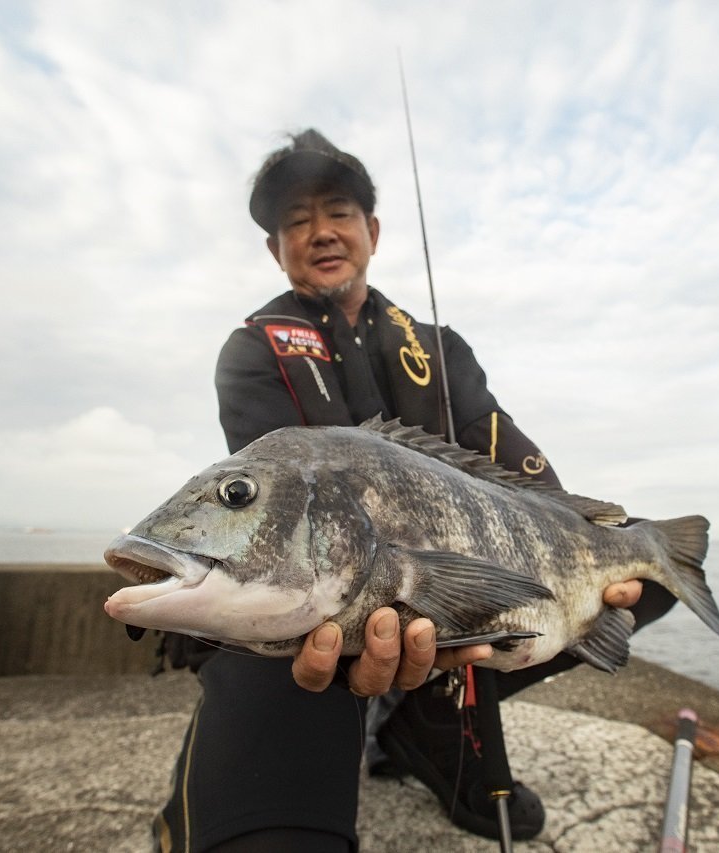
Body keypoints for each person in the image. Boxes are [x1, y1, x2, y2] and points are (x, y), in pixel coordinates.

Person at [153, 129, 677, 852]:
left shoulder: (438, 347)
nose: (320, 232)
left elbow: (509, 455)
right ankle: (312, 747)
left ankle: (429, 724)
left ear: (371, 230)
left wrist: (580, 542)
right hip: (314, 620)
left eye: (337, 211)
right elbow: (273, 525)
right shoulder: (254, 350)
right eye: (295, 221)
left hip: (450, 605)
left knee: (647, 564)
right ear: (276, 250)